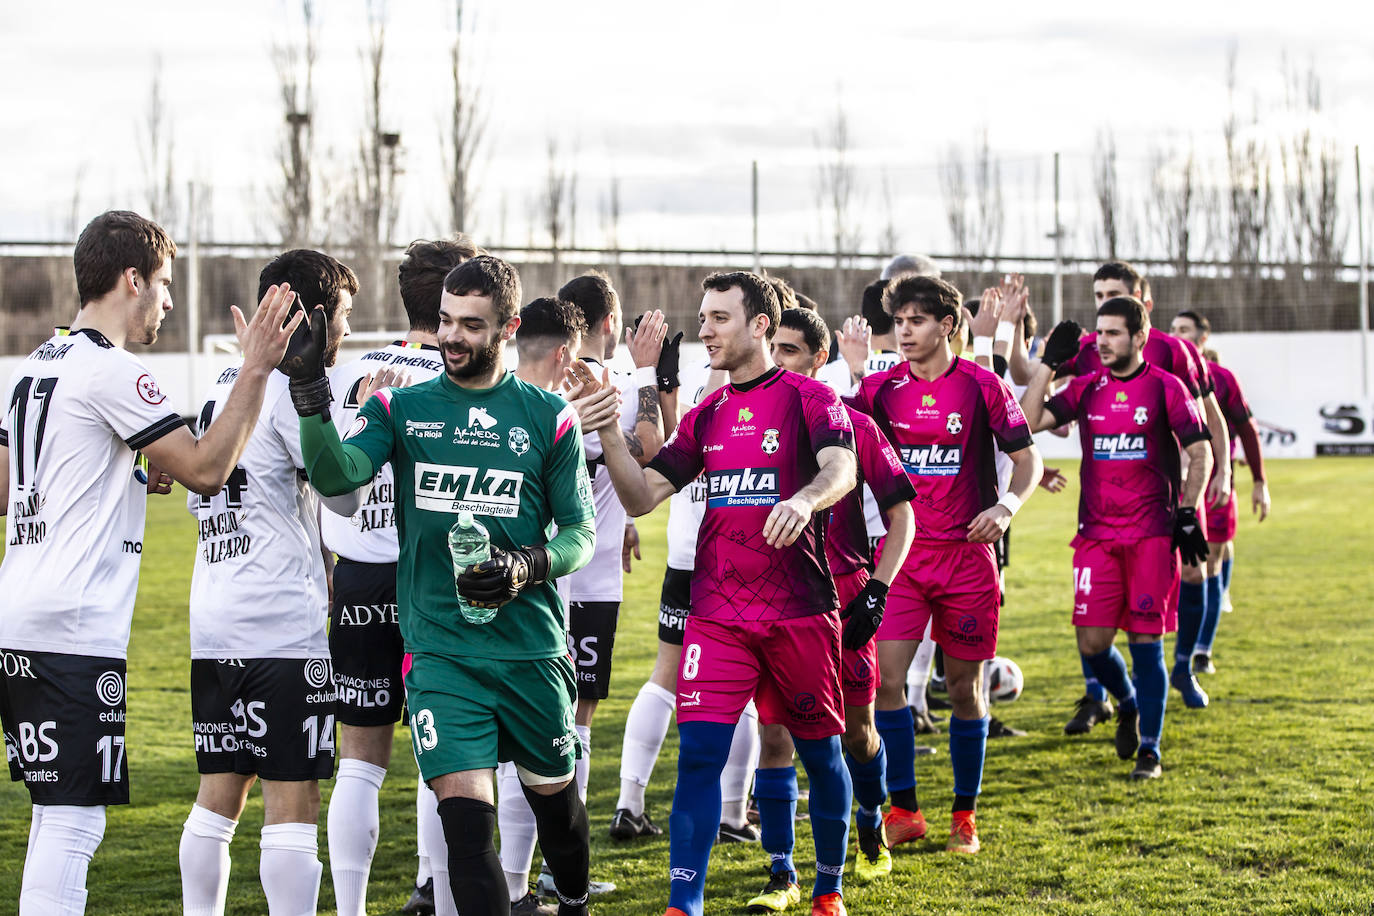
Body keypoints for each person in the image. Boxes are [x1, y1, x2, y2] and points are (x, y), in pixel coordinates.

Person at [0, 209, 302, 914]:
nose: (167, 301)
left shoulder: (32, 369)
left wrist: (127, 472)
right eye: (163, 283)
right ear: (131, 279)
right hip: (71, 628)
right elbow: (206, 469)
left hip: (19, 613)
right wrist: (256, 369)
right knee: (74, 820)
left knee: (53, 812)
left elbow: (15, 487)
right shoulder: (112, 370)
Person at [290, 255, 598, 916]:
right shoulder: (399, 407)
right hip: (441, 654)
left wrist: (526, 567)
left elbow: (580, 533)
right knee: (466, 835)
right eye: (446, 322)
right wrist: (311, 394)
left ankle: (571, 899)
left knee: (561, 822)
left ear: (509, 327)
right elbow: (337, 479)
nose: (453, 337)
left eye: (472, 325)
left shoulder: (549, 417)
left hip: (531, 655)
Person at [584, 270, 859, 916]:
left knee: (819, 755)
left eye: (718, 318)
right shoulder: (708, 413)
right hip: (718, 615)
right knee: (700, 753)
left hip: (800, 612)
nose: (703, 329)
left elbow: (841, 467)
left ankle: (827, 887)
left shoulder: (808, 399)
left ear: (760, 324)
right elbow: (643, 494)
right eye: (702, 317)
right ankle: (686, 902)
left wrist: (804, 497)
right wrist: (605, 435)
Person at [179, 248, 362, 915]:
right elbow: (341, 494)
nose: (343, 334)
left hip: (215, 617)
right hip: (280, 624)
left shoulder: (218, 387)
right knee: (294, 797)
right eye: (340, 317)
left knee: (219, 795)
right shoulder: (292, 388)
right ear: (313, 317)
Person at [852, 274, 1042, 857]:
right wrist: (858, 376)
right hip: (903, 558)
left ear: (948, 326)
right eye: (899, 322)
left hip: (967, 562)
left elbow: (1027, 460)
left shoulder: (983, 386)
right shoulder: (881, 389)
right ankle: (904, 809)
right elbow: (837, 433)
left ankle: (965, 815)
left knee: (964, 689)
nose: (904, 332)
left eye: (916, 321)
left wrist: (1006, 507)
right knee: (885, 683)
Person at [318, 237, 477, 916]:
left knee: (359, 760)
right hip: (434, 584)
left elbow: (323, 484)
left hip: (355, 577)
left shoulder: (343, 374)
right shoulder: (462, 380)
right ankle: (441, 899)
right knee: (445, 758)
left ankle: (352, 907)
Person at [747, 307, 916, 911]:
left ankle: (871, 817)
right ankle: (782, 873)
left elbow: (903, 516)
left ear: (819, 361)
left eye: (791, 351)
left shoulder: (856, 426)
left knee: (858, 734)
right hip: (772, 602)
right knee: (774, 738)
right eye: (777, 350)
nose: (780, 362)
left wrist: (879, 589)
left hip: (843, 598)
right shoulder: (752, 425)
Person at [1019, 296, 1213, 779]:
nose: (1101, 342)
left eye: (1113, 333)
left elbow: (1201, 450)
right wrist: (1047, 365)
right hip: (1097, 538)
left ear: (1139, 338)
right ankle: (1126, 702)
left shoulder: (1167, 388)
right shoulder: (1086, 387)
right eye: (1099, 332)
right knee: (1092, 644)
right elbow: (1023, 424)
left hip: (1151, 535)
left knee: (1147, 642)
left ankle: (1150, 748)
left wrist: (1188, 511)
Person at [610, 359, 766, 846]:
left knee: (665, 676)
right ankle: (734, 813)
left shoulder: (699, 380)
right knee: (745, 683)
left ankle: (629, 805)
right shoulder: (753, 390)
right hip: (734, 560)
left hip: (684, 556)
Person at [1168, 310, 1271, 672]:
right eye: (1174, 329)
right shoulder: (1162, 375)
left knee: (1207, 562)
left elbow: (1246, 429)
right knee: (1183, 569)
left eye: (1185, 330)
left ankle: (1200, 651)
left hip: (1210, 485)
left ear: (1202, 338)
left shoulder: (1222, 380)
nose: (1177, 335)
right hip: (1170, 488)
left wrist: (1258, 481)